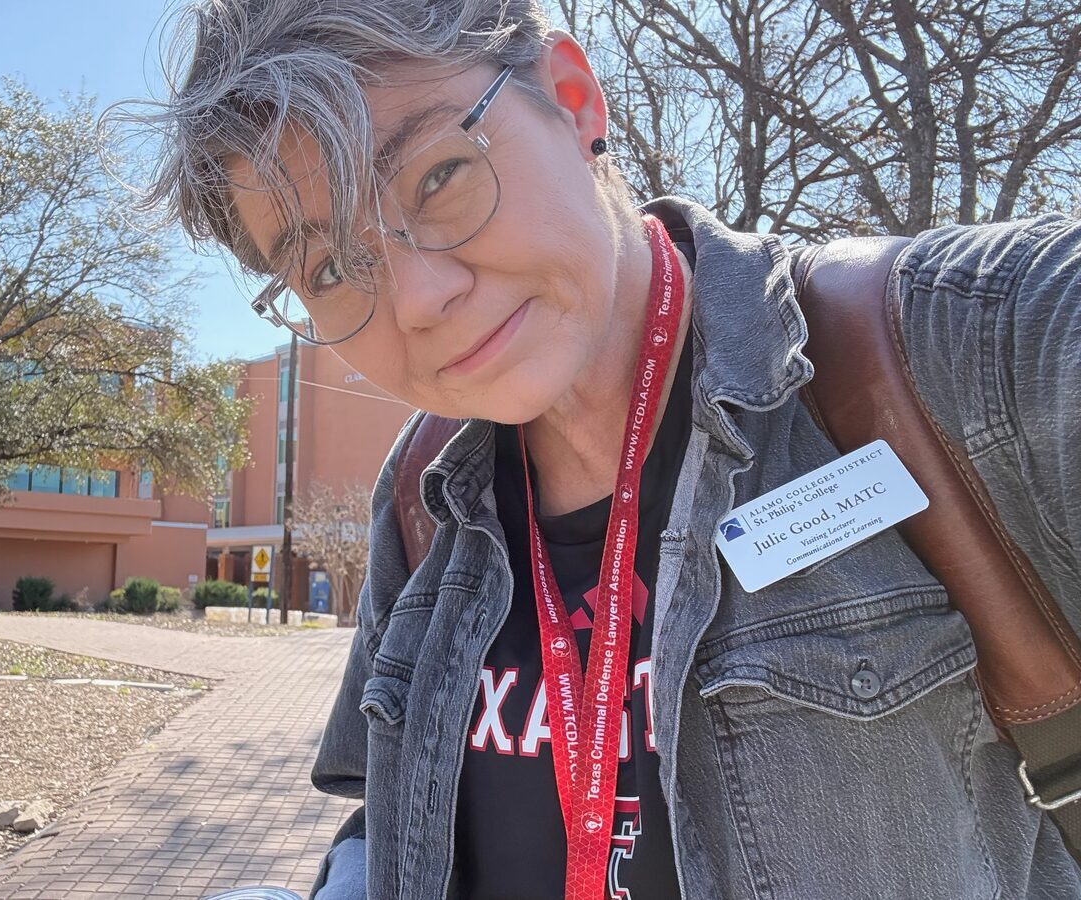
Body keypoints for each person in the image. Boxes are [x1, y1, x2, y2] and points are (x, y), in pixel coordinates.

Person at [120, 1, 1081, 898]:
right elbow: (393, 804)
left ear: (574, 100)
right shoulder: (424, 493)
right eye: (329, 266)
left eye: (439, 175)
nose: (417, 298)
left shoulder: (956, 353)